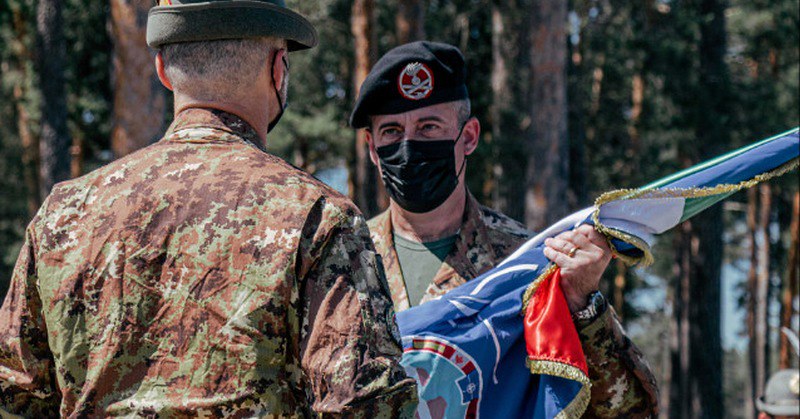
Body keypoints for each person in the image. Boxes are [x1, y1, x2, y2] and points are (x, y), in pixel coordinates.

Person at [0, 1, 416, 417]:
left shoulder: (64, 214)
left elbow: (17, 394)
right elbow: (365, 403)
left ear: (162, 70)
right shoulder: (317, 217)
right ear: (278, 70)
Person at [350, 40, 659, 417]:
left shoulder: (528, 264)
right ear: (371, 147)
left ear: (468, 137)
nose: (410, 145)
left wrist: (583, 308)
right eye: (392, 132)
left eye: (429, 127)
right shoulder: (343, 262)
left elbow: (631, 410)